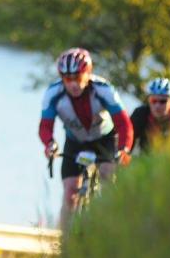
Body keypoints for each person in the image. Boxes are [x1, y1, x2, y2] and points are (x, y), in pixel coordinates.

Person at [38, 47, 133, 229]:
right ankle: (62, 242)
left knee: (108, 175)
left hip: (105, 139)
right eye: (67, 79)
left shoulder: (104, 90)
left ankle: (110, 225)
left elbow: (124, 124)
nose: (73, 84)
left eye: (78, 78)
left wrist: (124, 148)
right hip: (75, 142)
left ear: (88, 73)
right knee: (70, 192)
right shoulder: (53, 94)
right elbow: (45, 126)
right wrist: (49, 143)